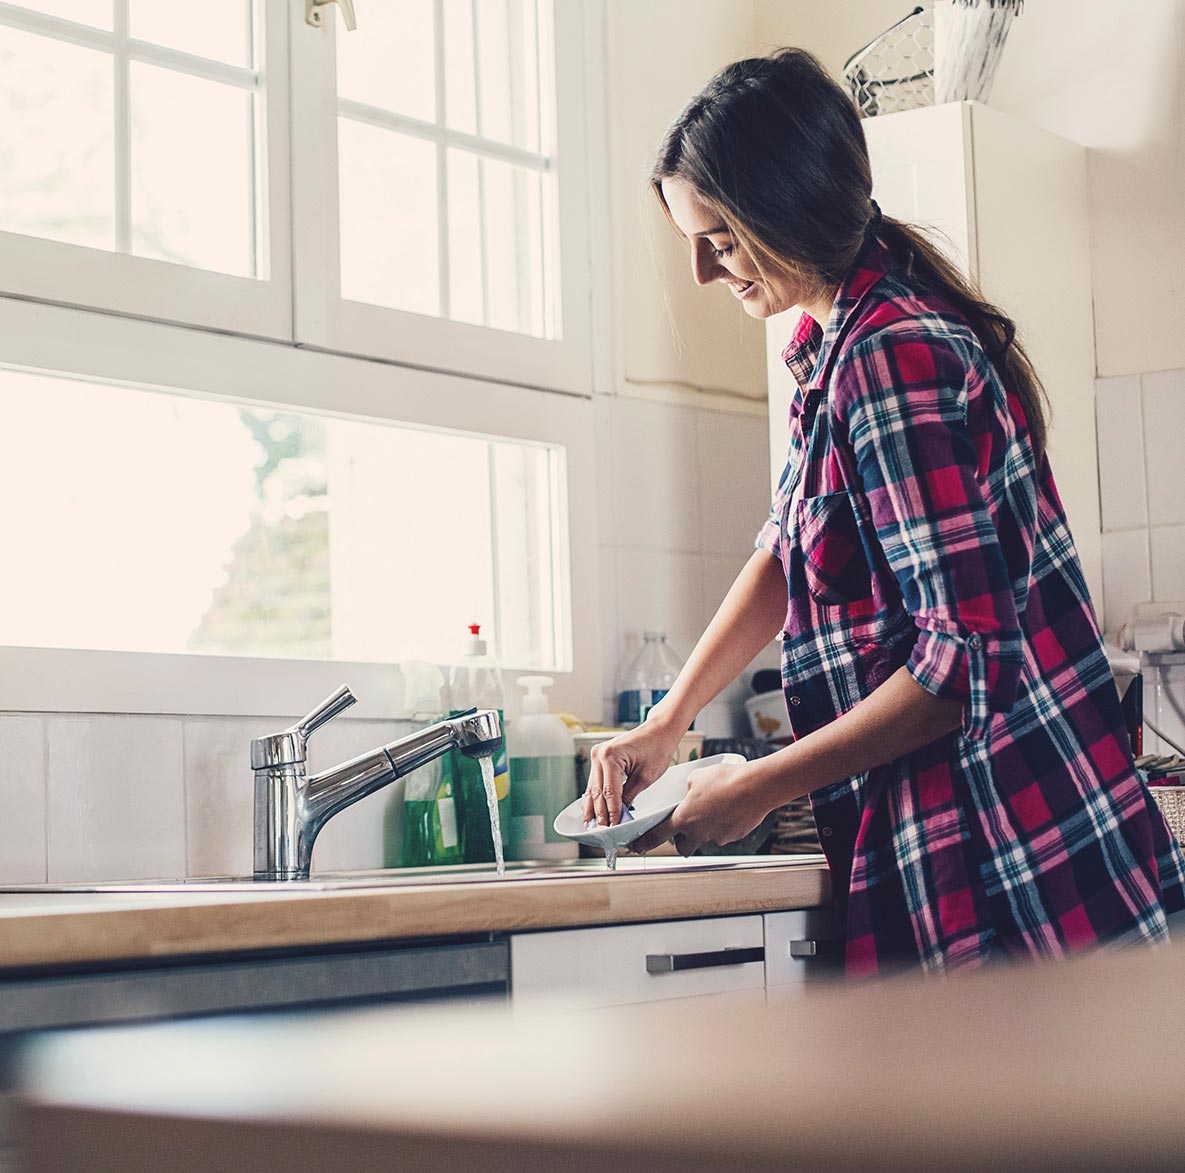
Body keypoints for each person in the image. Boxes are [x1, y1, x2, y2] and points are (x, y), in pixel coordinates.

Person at [582, 48, 1185, 977]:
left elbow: (957, 667)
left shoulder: (889, 357)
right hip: (968, 848)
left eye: (723, 238)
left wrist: (755, 786)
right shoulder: (832, 353)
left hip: (1014, 863)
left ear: (785, 207)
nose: (705, 271)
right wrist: (667, 721)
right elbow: (788, 554)